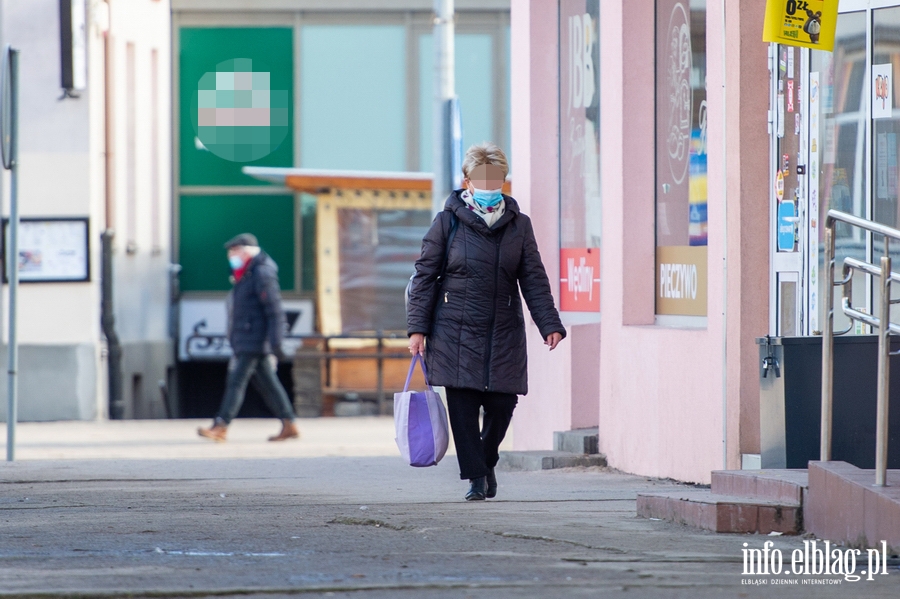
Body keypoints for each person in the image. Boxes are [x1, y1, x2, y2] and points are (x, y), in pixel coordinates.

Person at [407, 142, 566, 501]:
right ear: (467, 181)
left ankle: (487, 458)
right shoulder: (447, 222)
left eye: (497, 178)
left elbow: (534, 278)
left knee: (502, 404)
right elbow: (424, 276)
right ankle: (476, 478)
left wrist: (549, 323)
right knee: (463, 407)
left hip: (503, 327)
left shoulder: (519, 225)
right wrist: (418, 329)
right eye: (483, 179)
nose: (491, 185)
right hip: (453, 329)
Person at [198, 233, 300, 443]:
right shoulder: (246, 273)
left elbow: (274, 309)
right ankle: (289, 423)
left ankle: (221, 425)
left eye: (234, 251)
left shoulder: (261, 273)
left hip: (254, 338)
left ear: (246, 252)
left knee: (236, 381)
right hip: (248, 337)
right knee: (269, 384)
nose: (231, 256)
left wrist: (276, 342)